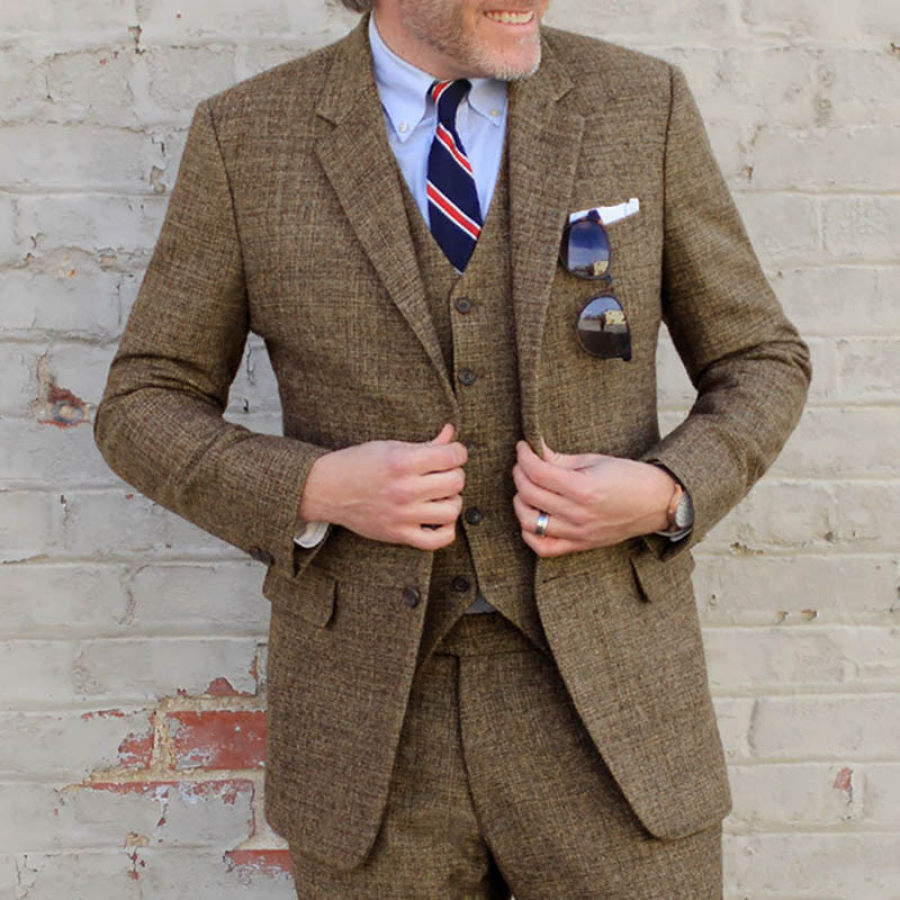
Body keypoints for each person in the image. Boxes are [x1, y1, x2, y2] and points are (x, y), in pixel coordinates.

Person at [94, 0, 811, 896]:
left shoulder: (638, 102)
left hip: (613, 711)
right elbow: (142, 403)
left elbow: (760, 357)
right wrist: (313, 487)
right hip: (369, 730)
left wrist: (669, 492)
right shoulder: (247, 136)